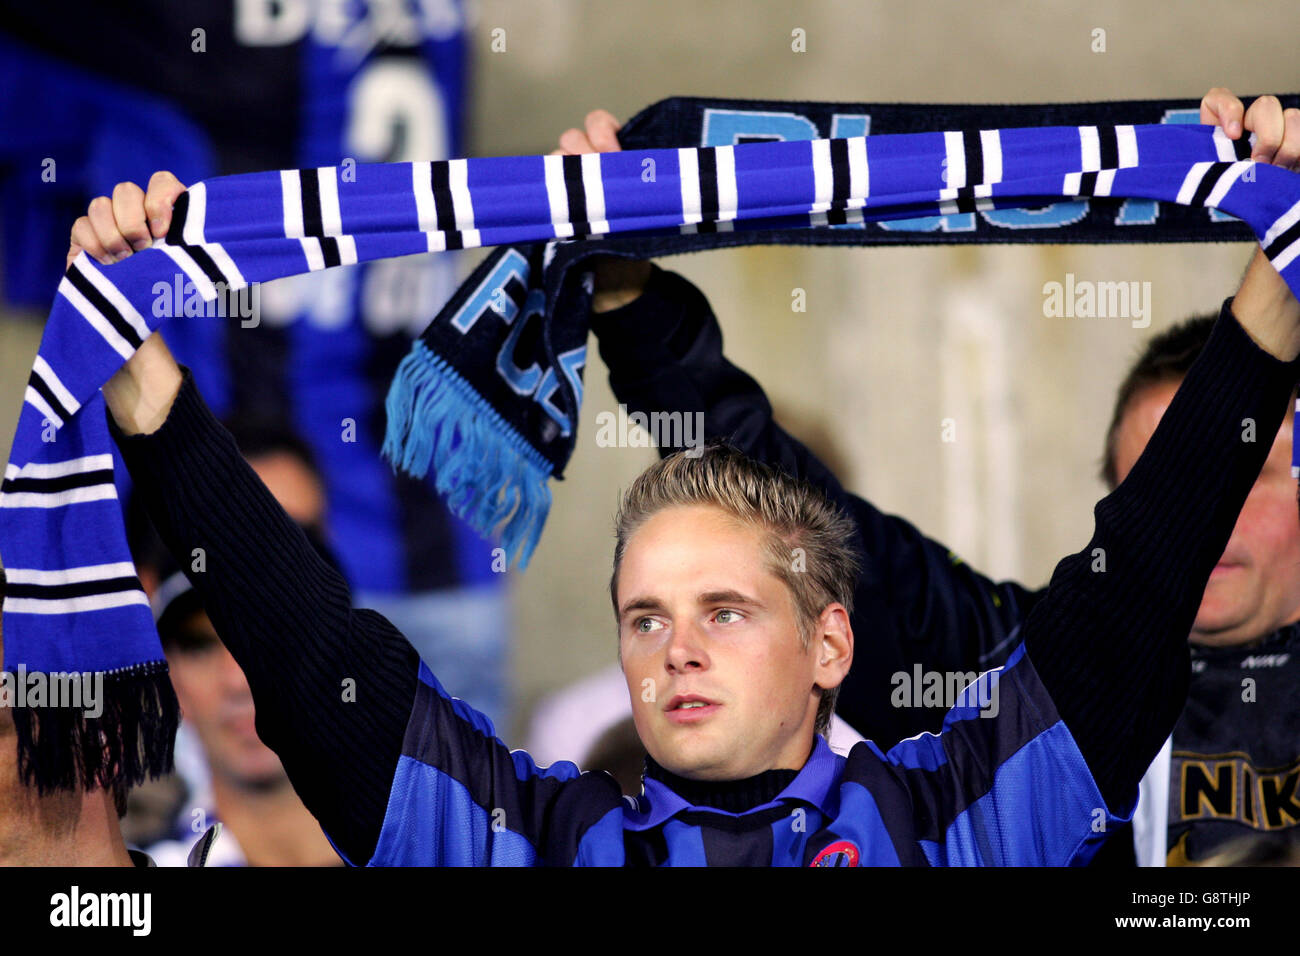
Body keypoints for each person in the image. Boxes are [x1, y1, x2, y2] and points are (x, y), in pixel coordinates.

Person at [77, 96, 1300, 864]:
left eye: (724, 610)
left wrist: (1277, 269)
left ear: (834, 642)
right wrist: (154, 402)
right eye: (645, 618)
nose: (677, 650)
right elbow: (309, 661)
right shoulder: (538, 840)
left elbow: (1146, 552)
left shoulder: (968, 814)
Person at [564, 88, 1300, 864]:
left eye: (1241, 472)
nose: (1205, 509)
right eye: (1153, 484)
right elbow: (780, 509)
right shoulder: (1008, 666)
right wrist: (628, 301)